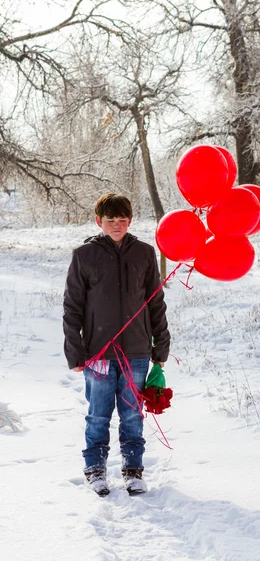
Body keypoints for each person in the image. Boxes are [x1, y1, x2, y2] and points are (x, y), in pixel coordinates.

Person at [63, 193, 170, 496]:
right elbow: (72, 307)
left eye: (123, 219)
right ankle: (95, 469)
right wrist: (75, 351)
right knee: (98, 414)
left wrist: (161, 346)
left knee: (132, 413)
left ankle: (133, 469)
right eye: (111, 220)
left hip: (136, 351)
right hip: (98, 353)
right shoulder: (84, 256)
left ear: (130, 220)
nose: (117, 225)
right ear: (99, 221)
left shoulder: (145, 254)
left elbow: (155, 303)